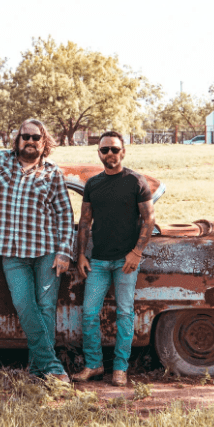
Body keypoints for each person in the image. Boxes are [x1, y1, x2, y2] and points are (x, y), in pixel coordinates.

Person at [0, 119, 74, 383]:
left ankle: (37, 370)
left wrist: (64, 252)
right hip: (12, 252)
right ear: (17, 139)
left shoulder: (52, 172)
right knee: (24, 305)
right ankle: (53, 368)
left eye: (36, 137)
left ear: (44, 143)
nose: (30, 141)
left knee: (45, 309)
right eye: (26, 136)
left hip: (46, 250)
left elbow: (65, 214)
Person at [72, 130, 156, 387]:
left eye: (114, 149)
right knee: (88, 314)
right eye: (105, 150)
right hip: (97, 261)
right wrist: (82, 255)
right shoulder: (93, 184)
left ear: (123, 152)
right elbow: (84, 223)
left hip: (126, 261)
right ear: (99, 153)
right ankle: (94, 365)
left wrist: (137, 252)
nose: (110, 154)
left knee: (125, 314)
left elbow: (149, 219)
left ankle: (120, 368)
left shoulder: (136, 181)